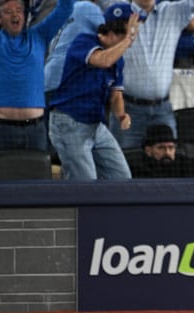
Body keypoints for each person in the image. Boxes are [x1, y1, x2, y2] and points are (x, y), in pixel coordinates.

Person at [0, 0, 74, 152]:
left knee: (36, 175)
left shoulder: (40, 36)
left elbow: (66, 8)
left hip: (35, 131)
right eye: (8, 11)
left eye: (19, 10)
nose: (15, 14)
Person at [47, 3, 138, 181]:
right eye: (125, 34)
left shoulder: (118, 60)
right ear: (112, 34)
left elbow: (116, 95)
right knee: (85, 185)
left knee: (122, 178)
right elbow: (102, 60)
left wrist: (121, 116)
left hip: (95, 126)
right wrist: (128, 39)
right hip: (68, 123)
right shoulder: (83, 41)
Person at [108, 0, 194, 149]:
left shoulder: (173, 12)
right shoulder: (117, 10)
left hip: (162, 110)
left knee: (166, 167)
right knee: (124, 167)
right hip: (127, 109)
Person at [129, 124, 194, 177]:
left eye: (171, 148)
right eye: (161, 148)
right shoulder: (138, 168)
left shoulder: (186, 165)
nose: (167, 152)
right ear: (148, 150)